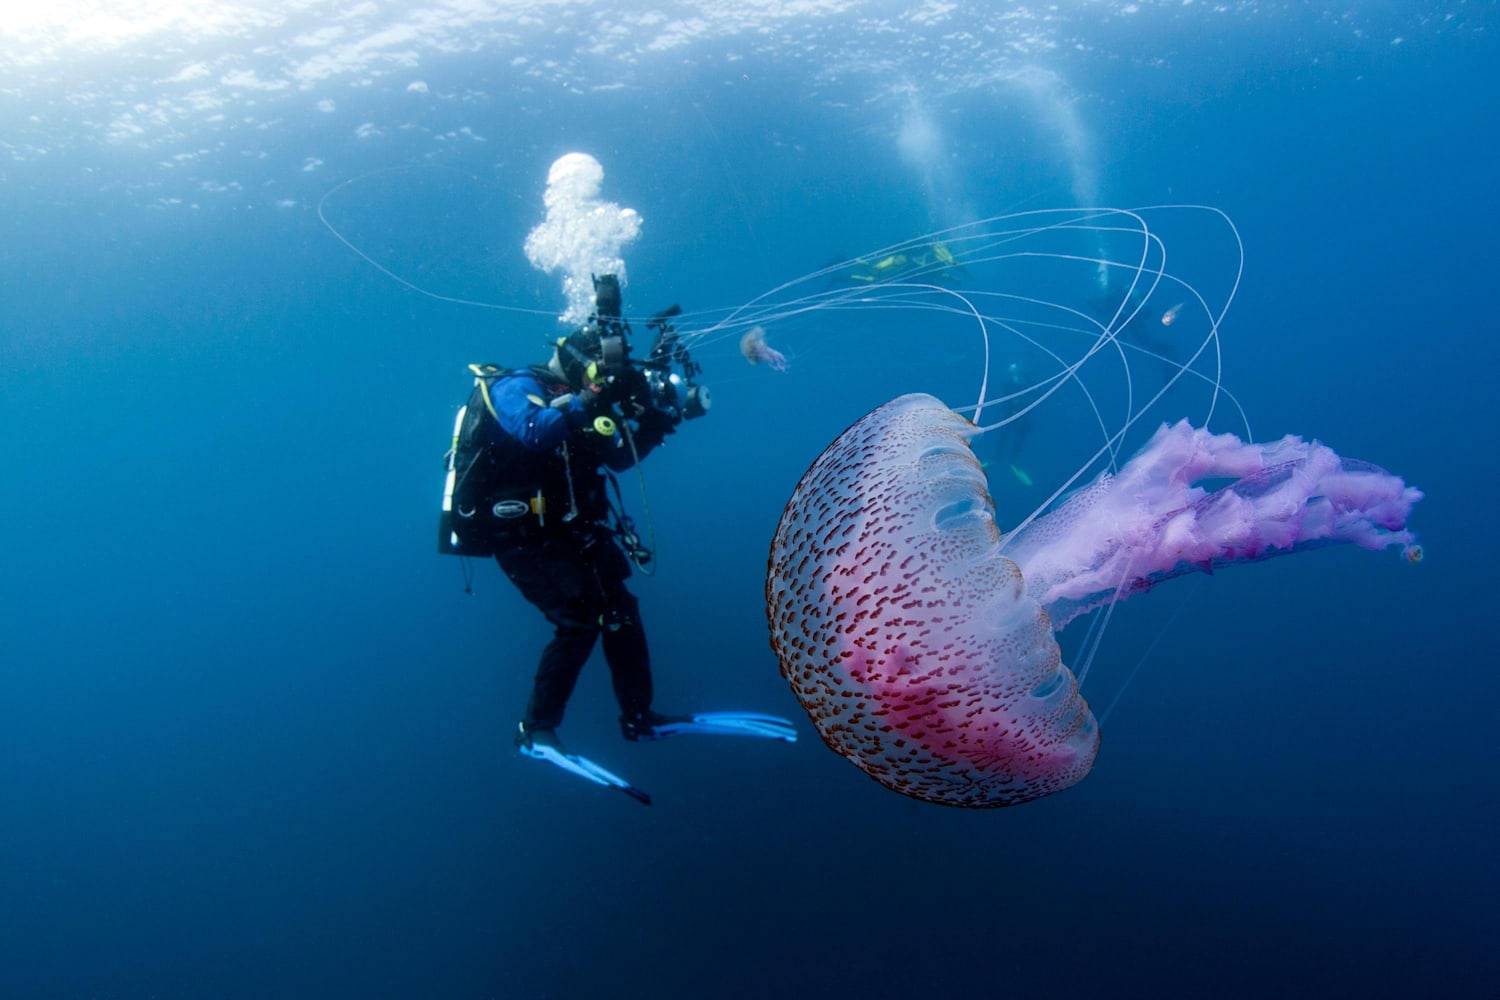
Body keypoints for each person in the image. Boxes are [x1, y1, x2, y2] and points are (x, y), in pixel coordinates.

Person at [446, 275, 681, 755]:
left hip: (573, 531)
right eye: (592, 373)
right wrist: (591, 398)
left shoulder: (575, 401)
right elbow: (534, 430)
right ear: (577, 362)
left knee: (620, 611)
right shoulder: (514, 385)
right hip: (520, 535)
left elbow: (615, 458)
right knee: (576, 621)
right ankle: (534, 730)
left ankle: (639, 715)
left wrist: (655, 425)